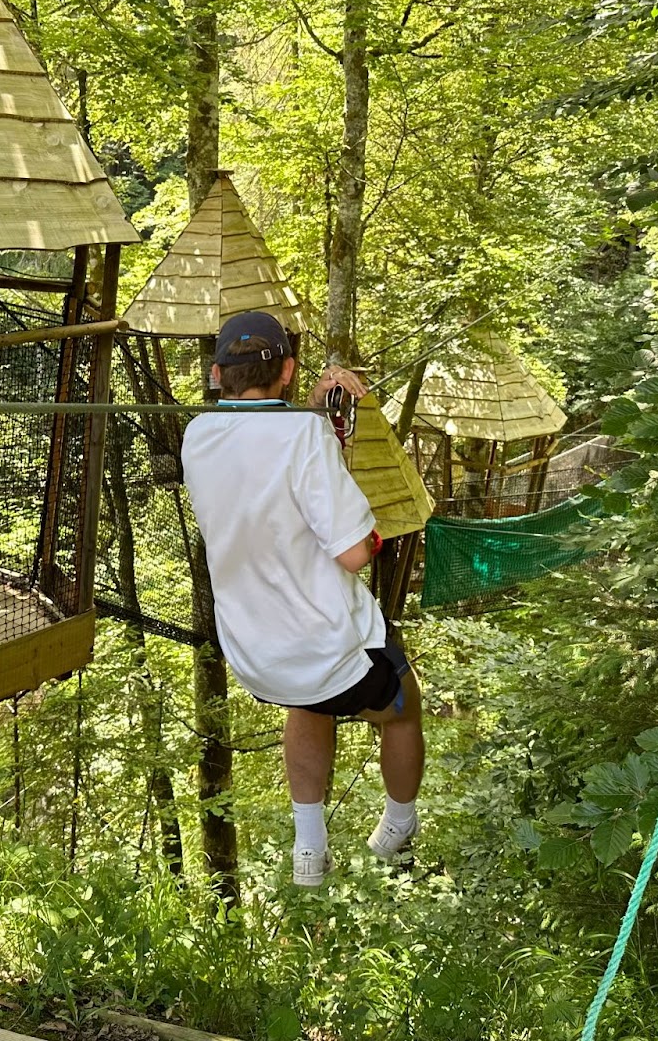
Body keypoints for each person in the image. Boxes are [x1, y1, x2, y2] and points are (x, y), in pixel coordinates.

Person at [180, 310, 425, 886]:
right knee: (404, 707)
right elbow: (354, 554)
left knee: (309, 699)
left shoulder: (197, 434)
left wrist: (315, 419)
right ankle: (399, 822)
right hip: (329, 651)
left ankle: (309, 849)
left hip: (255, 656)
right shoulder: (303, 434)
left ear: (217, 376)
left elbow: (266, 447)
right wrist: (374, 524)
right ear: (287, 370)